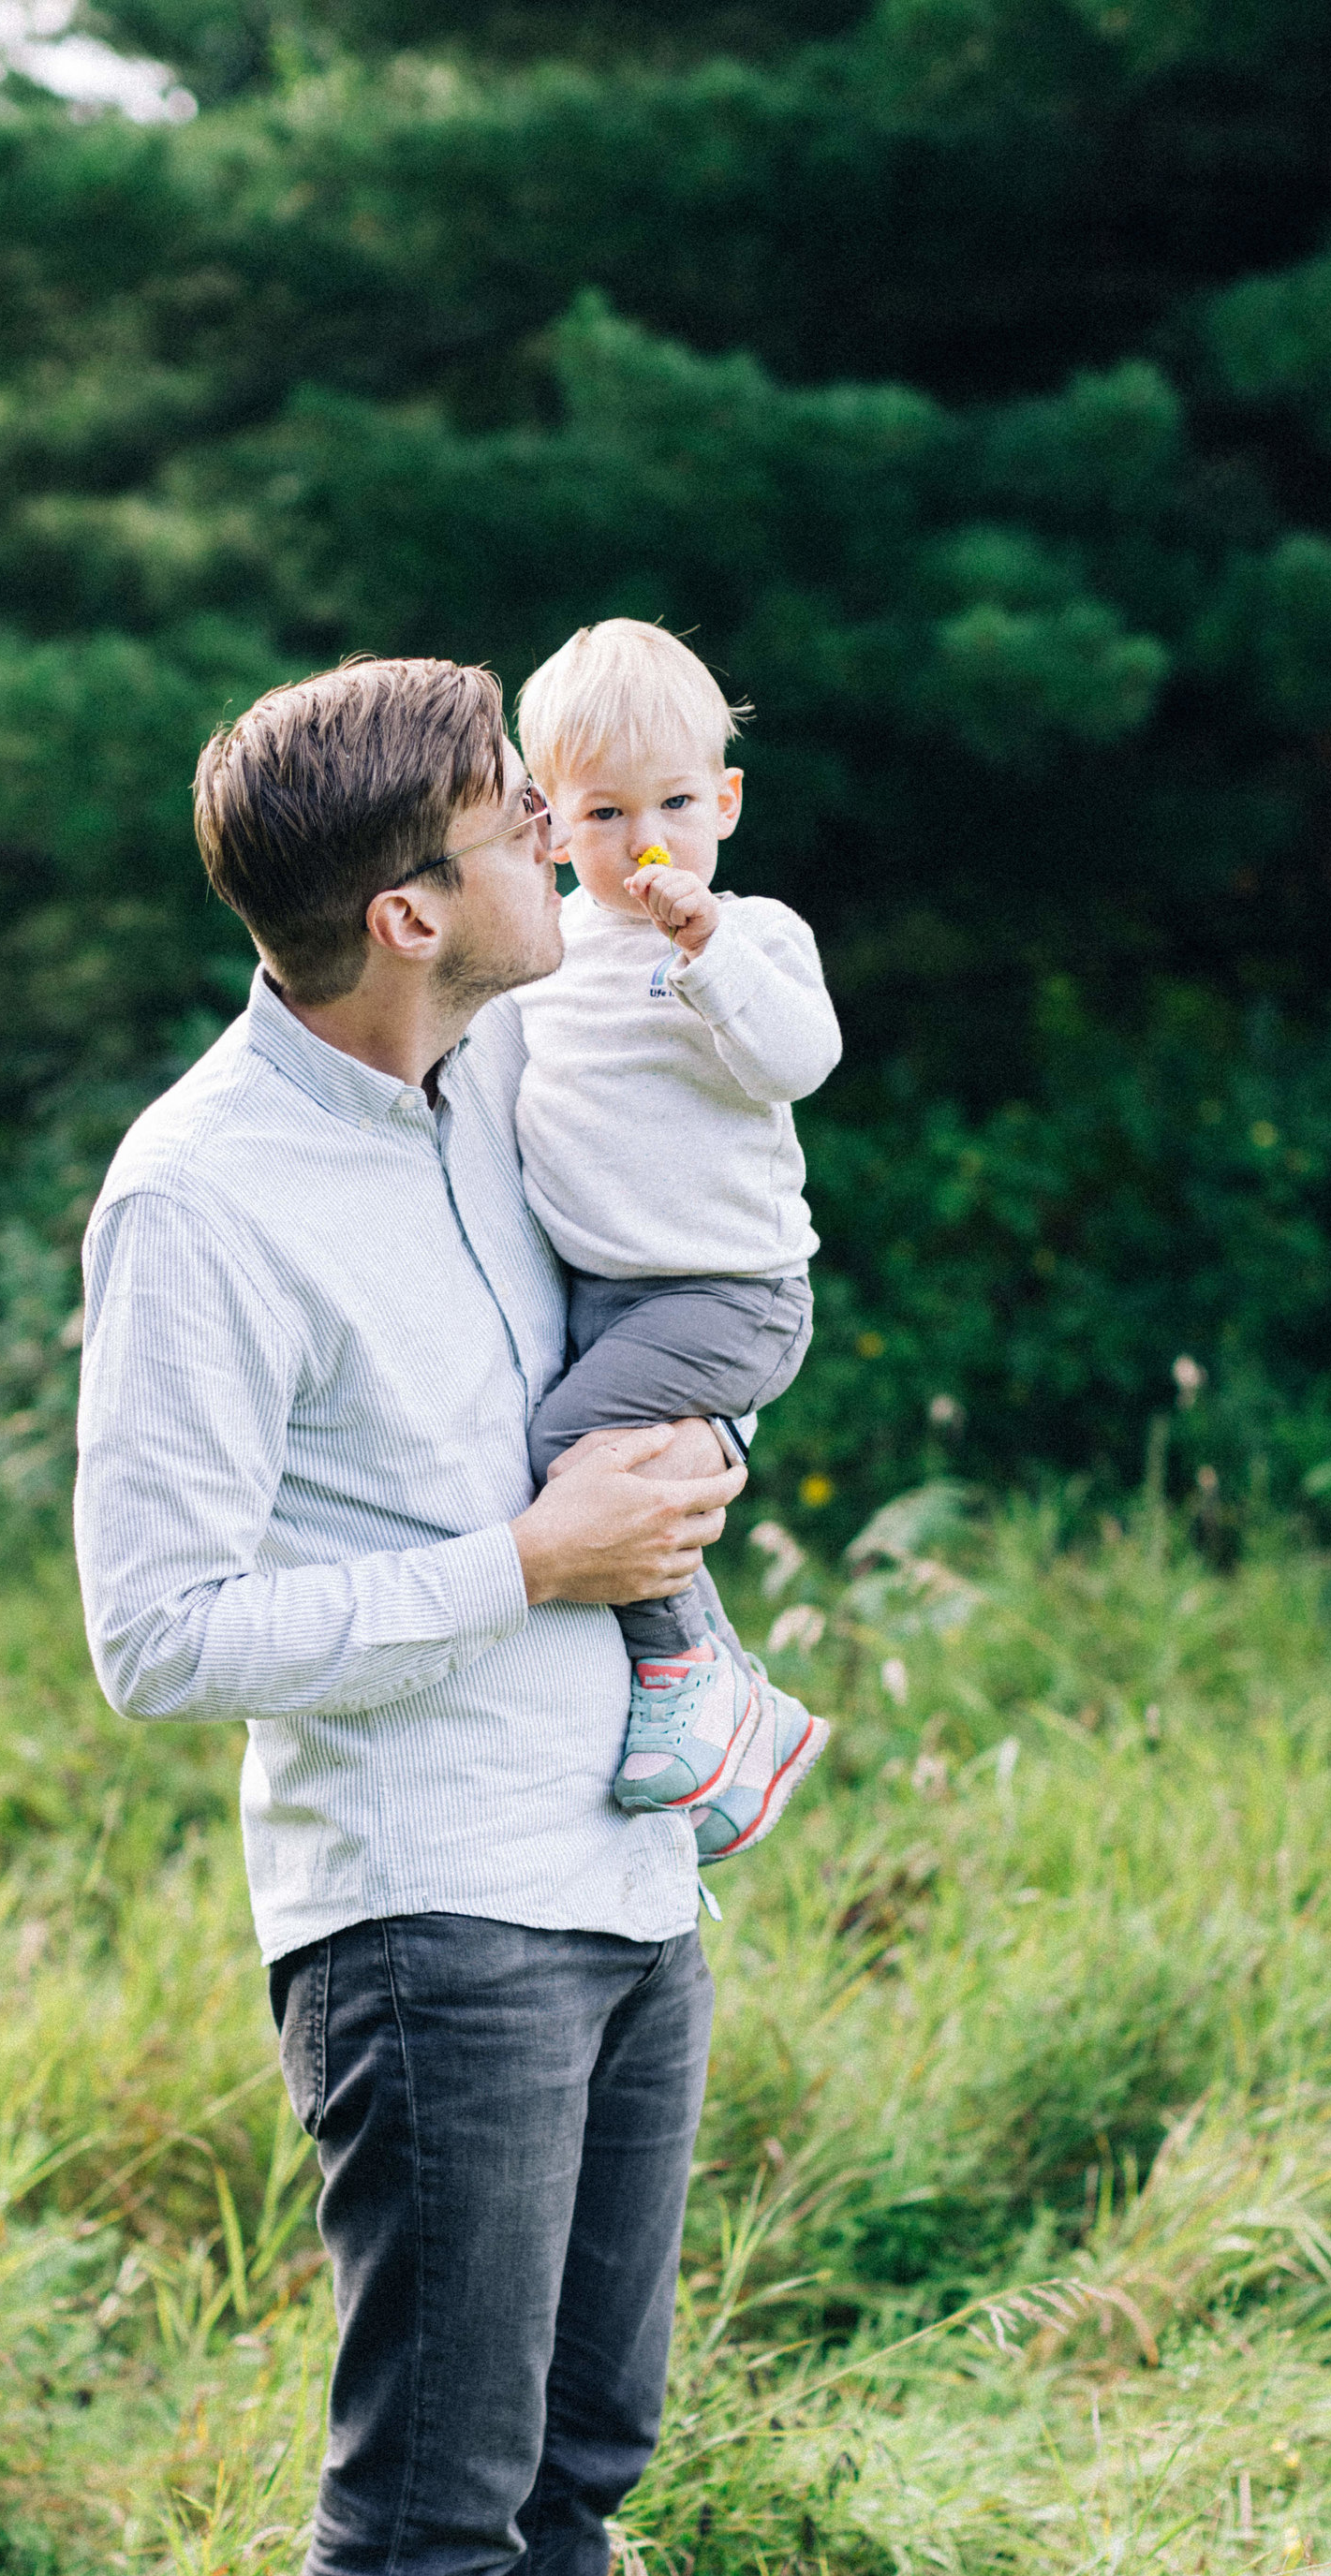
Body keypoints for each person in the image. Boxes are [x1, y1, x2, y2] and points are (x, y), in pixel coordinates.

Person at [73, 655, 744, 2576]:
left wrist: (674, 1471)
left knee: (583, 2445)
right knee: (436, 2477)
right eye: (504, 829)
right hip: (421, 1909)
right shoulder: (200, 1196)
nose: (549, 847)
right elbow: (158, 1631)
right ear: (407, 913)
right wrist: (521, 1567)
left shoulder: (498, 1089)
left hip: (618, 1858)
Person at [515, 618, 839, 1859]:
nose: (644, 838)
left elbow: (798, 1059)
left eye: (675, 802)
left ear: (729, 802)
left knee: (568, 1447)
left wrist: (704, 947)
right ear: (547, 824)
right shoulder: (545, 952)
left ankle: (701, 1672)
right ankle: (731, 1707)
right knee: (596, 1457)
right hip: (610, 1295)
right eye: (603, 815)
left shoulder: (750, 936)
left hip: (728, 1289)